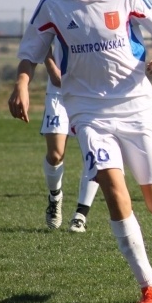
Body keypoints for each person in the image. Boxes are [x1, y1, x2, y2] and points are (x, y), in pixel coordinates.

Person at [8, 0, 152, 303]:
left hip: (136, 107)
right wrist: (22, 84)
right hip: (88, 113)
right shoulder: (53, 3)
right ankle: (148, 283)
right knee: (113, 188)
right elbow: (30, 51)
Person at [41, 45, 100, 233]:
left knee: (94, 154)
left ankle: (80, 216)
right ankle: (55, 197)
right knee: (55, 154)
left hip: (93, 93)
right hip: (59, 91)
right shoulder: (53, 13)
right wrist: (51, 68)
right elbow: (40, 39)